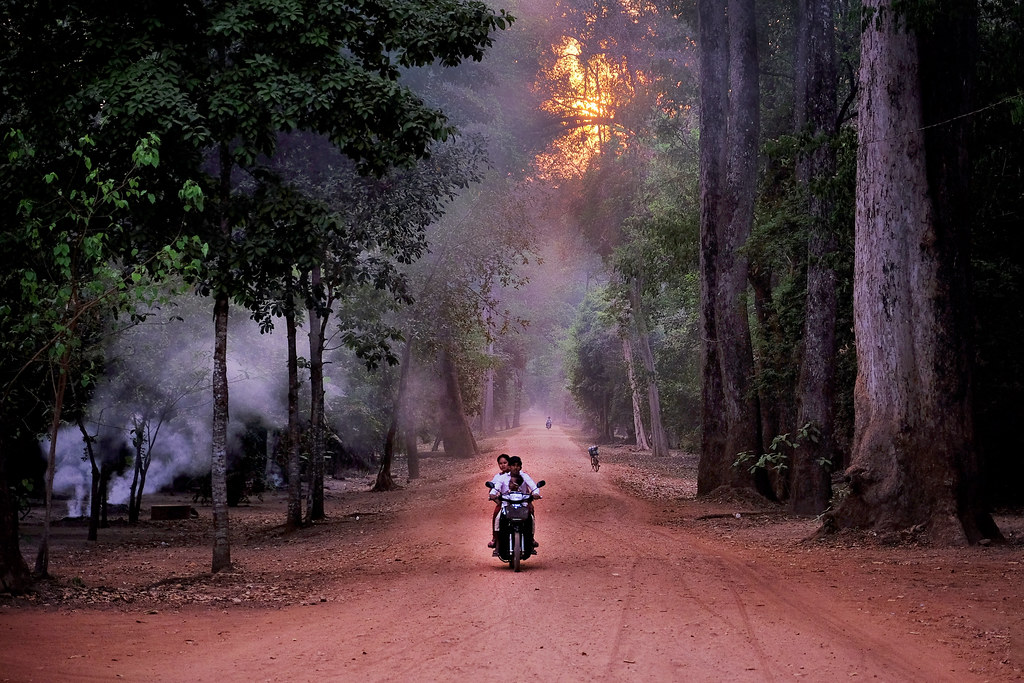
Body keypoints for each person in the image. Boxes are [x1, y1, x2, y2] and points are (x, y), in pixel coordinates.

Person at [489, 455, 541, 547]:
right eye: (513, 465)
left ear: (520, 467)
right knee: (498, 515)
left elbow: (534, 487)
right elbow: (496, 488)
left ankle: (531, 538)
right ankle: (496, 538)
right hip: (507, 503)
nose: (515, 468)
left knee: (531, 515)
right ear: (510, 466)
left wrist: (536, 493)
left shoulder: (525, 476)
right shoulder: (503, 477)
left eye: (517, 465)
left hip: (523, 503)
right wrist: (493, 494)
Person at [487, 454, 511, 549]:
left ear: (509, 463)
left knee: (530, 511)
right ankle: (495, 538)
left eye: (505, 463)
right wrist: (495, 498)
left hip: (518, 501)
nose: (503, 465)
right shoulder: (498, 477)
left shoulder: (517, 474)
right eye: (500, 463)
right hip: (504, 503)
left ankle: (531, 537)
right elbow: (492, 489)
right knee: (496, 515)